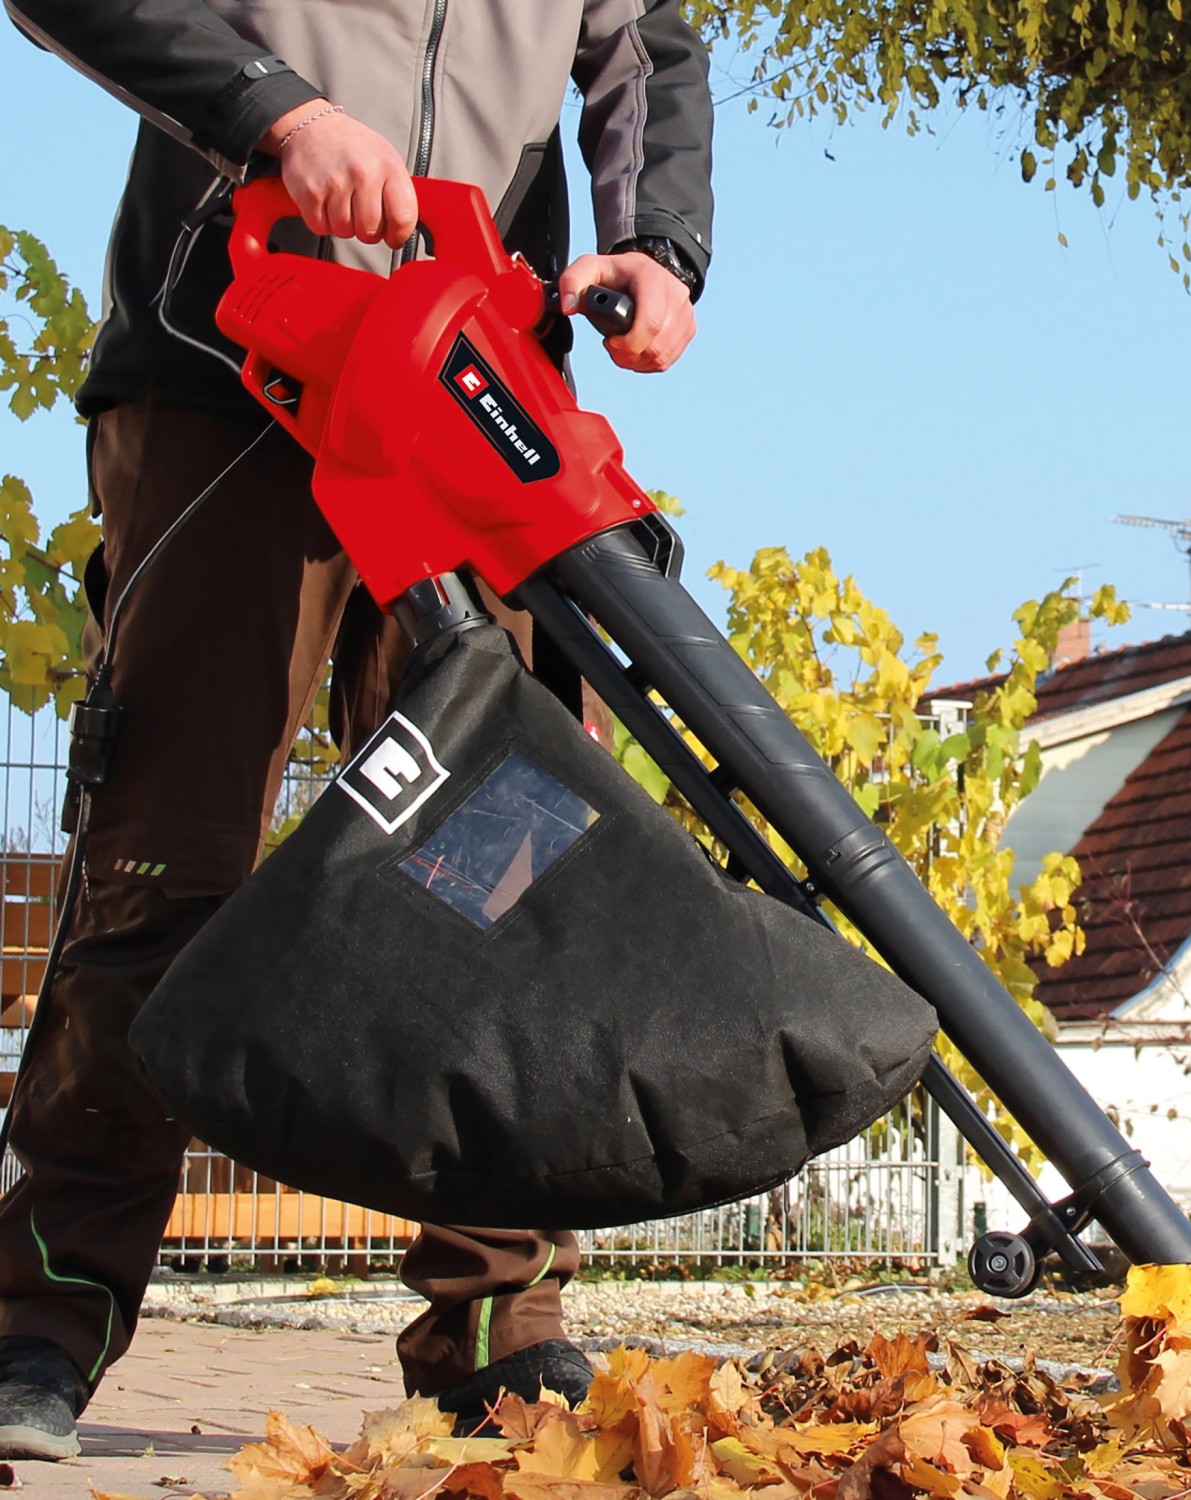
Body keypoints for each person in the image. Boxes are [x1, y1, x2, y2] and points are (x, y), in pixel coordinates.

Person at [0, 0, 713, 1462]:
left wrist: (660, 248)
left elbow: (648, 45)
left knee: (501, 876)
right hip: (231, 365)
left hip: (472, 387)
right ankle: (43, 1311)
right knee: (164, 858)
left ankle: (495, 1326)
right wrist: (274, 111)